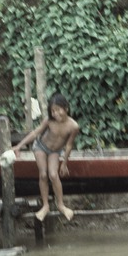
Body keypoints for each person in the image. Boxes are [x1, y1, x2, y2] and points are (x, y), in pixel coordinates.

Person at [13, 93, 79, 222]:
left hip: (55, 151)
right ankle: (45, 206)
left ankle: (61, 205)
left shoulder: (73, 126)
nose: (55, 113)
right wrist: (19, 146)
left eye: (58, 110)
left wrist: (64, 163)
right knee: (43, 174)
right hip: (41, 147)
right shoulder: (49, 121)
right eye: (53, 111)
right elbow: (35, 133)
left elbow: (69, 145)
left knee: (53, 175)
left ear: (66, 108)